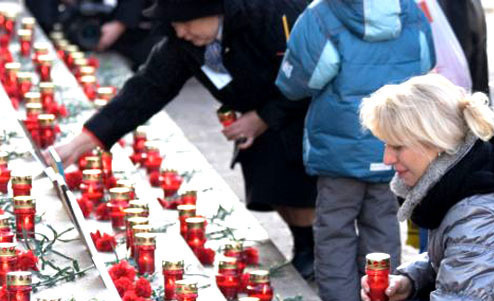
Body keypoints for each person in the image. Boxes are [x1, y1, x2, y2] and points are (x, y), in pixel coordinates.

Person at [53, 0, 318, 277]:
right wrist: (83, 140)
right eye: (175, 25)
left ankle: (312, 251)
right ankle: (304, 245)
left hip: (299, 108)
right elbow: (147, 88)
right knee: (271, 182)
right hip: (254, 110)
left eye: (186, 23)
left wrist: (264, 116)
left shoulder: (271, 17)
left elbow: (308, 77)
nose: (181, 32)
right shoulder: (183, 41)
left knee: (295, 183)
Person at [275, 0, 435, 301]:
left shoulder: (321, 15)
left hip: (339, 149)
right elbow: (425, 66)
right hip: (392, 145)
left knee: (334, 229)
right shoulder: (410, 11)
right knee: (384, 225)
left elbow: (296, 83)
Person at [337, 73, 494, 301]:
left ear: (434, 143)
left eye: (397, 146)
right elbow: (463, 258)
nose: (387, 158)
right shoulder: (464, 177)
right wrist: (410, 280)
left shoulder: (481, 215)